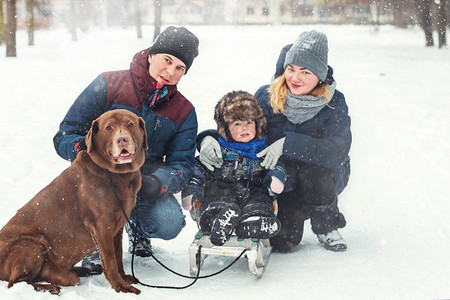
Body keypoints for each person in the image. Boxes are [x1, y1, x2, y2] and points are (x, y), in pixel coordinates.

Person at [53, 26, 199, 273]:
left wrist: (157, 183)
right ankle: (95, 242)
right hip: (97, 180)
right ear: (152, 54)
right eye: (167, 60)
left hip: (141, 183)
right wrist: (87, 154)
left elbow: (182, 164)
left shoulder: (184, 111)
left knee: (169, 222)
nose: (170, 71)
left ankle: (136, 228)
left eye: (180, 68)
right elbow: (66, 133)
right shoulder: (108, 84)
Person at [198, 30, 351, 252]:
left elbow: (337, 150)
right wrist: (208, 139)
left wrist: (288, 143)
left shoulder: (334, 101)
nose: (295, 78)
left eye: (305, 72)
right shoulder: (266, 95)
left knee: (317, 168)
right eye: (291, 69)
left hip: (321, 176)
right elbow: (241, 127)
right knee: (284, 241)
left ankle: (326, 223)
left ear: (319, 75)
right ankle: (290, 212)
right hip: (281, 177)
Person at [181, 91, 286, 246]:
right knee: (216, 192)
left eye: (249, 122)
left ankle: (253, 222)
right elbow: (199, 168)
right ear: (225, 128)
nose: (245, 127)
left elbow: (274, 164)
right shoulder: (218, 149)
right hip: (222, 191)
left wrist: (276, 177)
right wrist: (191, 190)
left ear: (258, 124)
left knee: (260, 198)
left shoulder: (263, 149)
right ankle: (217, 219)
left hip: (252, 191)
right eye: (237, 123)